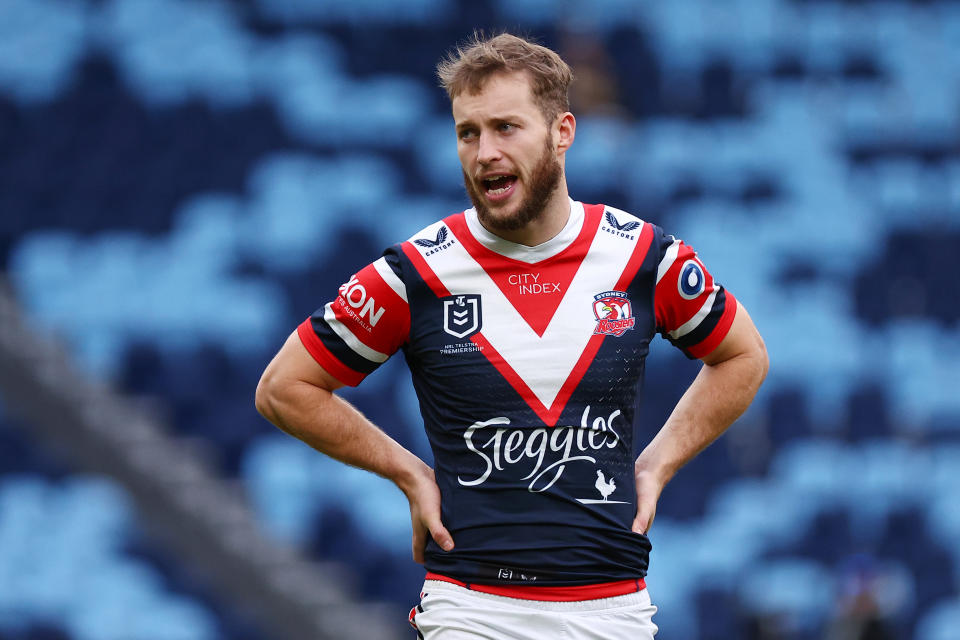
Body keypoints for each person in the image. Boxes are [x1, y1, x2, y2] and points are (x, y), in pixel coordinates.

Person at [256, 32, 768, 639]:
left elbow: (743, 356)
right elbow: (285, 387)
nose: (483, 152)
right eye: (467, 132)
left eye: (505, 128)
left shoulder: (642, 257)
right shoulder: (417, 271)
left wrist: (658, 465)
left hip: (611, 611)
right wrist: (409, 473)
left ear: (562, 132)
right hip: (471, 607)